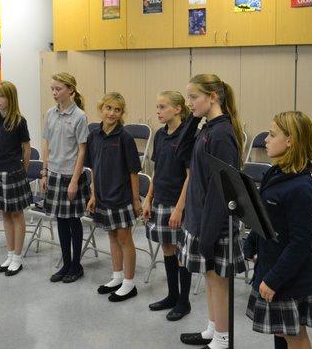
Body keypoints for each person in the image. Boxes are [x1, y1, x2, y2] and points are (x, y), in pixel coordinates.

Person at [244, 111, 312, 349]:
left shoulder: (300, 188)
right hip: (272, 263)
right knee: (281, 332)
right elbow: (266, 217)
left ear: (290, 140)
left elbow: (300, 243)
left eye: (272, 135)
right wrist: (252, 241)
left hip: (290, 277)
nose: (265, 140)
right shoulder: (276, 173)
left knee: (294, 337)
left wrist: (274, 279)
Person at [177, 74, 245, 349]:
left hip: (214, 223)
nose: (188, 103)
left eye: (193, 97)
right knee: (209, 278)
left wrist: (207, 235)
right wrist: (193, 119)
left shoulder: (222, 134)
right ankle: (212, 330)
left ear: (213, 97)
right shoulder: (207, 128)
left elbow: (222, 191)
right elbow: (181, 153)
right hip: (199, 218)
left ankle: (222, 339)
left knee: (219, 283)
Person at [85, 92, 142, 302]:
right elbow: (93, 168)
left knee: (124, 238)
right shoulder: (94, 136)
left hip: (122, 197)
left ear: (121, 113)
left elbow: (133, 171)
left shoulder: (125, 137)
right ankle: (117, 277)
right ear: (101, 109)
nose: (112, 113)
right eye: (108, 108)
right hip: (102, 197)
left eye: (117, 110)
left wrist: (136, 200)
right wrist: (93, 195)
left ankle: (129, 283)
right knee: (111, 236)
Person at [142, 91, 193, 321]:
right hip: (160, 199)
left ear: (178, 109)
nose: (158, 111)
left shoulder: (187, 136)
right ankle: (172, 295)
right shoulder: (160, 136)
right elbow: (156, 170)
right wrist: (149, 198)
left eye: (163, 107)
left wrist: (180, 208)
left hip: (178, 202)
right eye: (157, 106)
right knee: (167, 248)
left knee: (181, 252)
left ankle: (184, 301)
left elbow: (190, 177)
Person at [41, 72, 91, 283]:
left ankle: (76, 265)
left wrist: (74, 180)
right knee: (60, 220)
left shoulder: (79, 116)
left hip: (71, 175)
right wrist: (44, 172)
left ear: (70, 89)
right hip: (54, 172)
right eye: (52, 89)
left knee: (73, 220)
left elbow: (82, 151)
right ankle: (66, 262)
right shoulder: (50, 114)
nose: (54, 92)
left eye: (58, 89)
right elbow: (47, 144)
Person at [0, 81, 33, 276]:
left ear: (10, 98)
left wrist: (22, 170)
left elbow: (26, 148)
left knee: (17, 214)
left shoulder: (19, 121)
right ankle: (9, 254)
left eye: (1, 96)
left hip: (14, 172)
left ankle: (18, 258)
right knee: (5, 214)